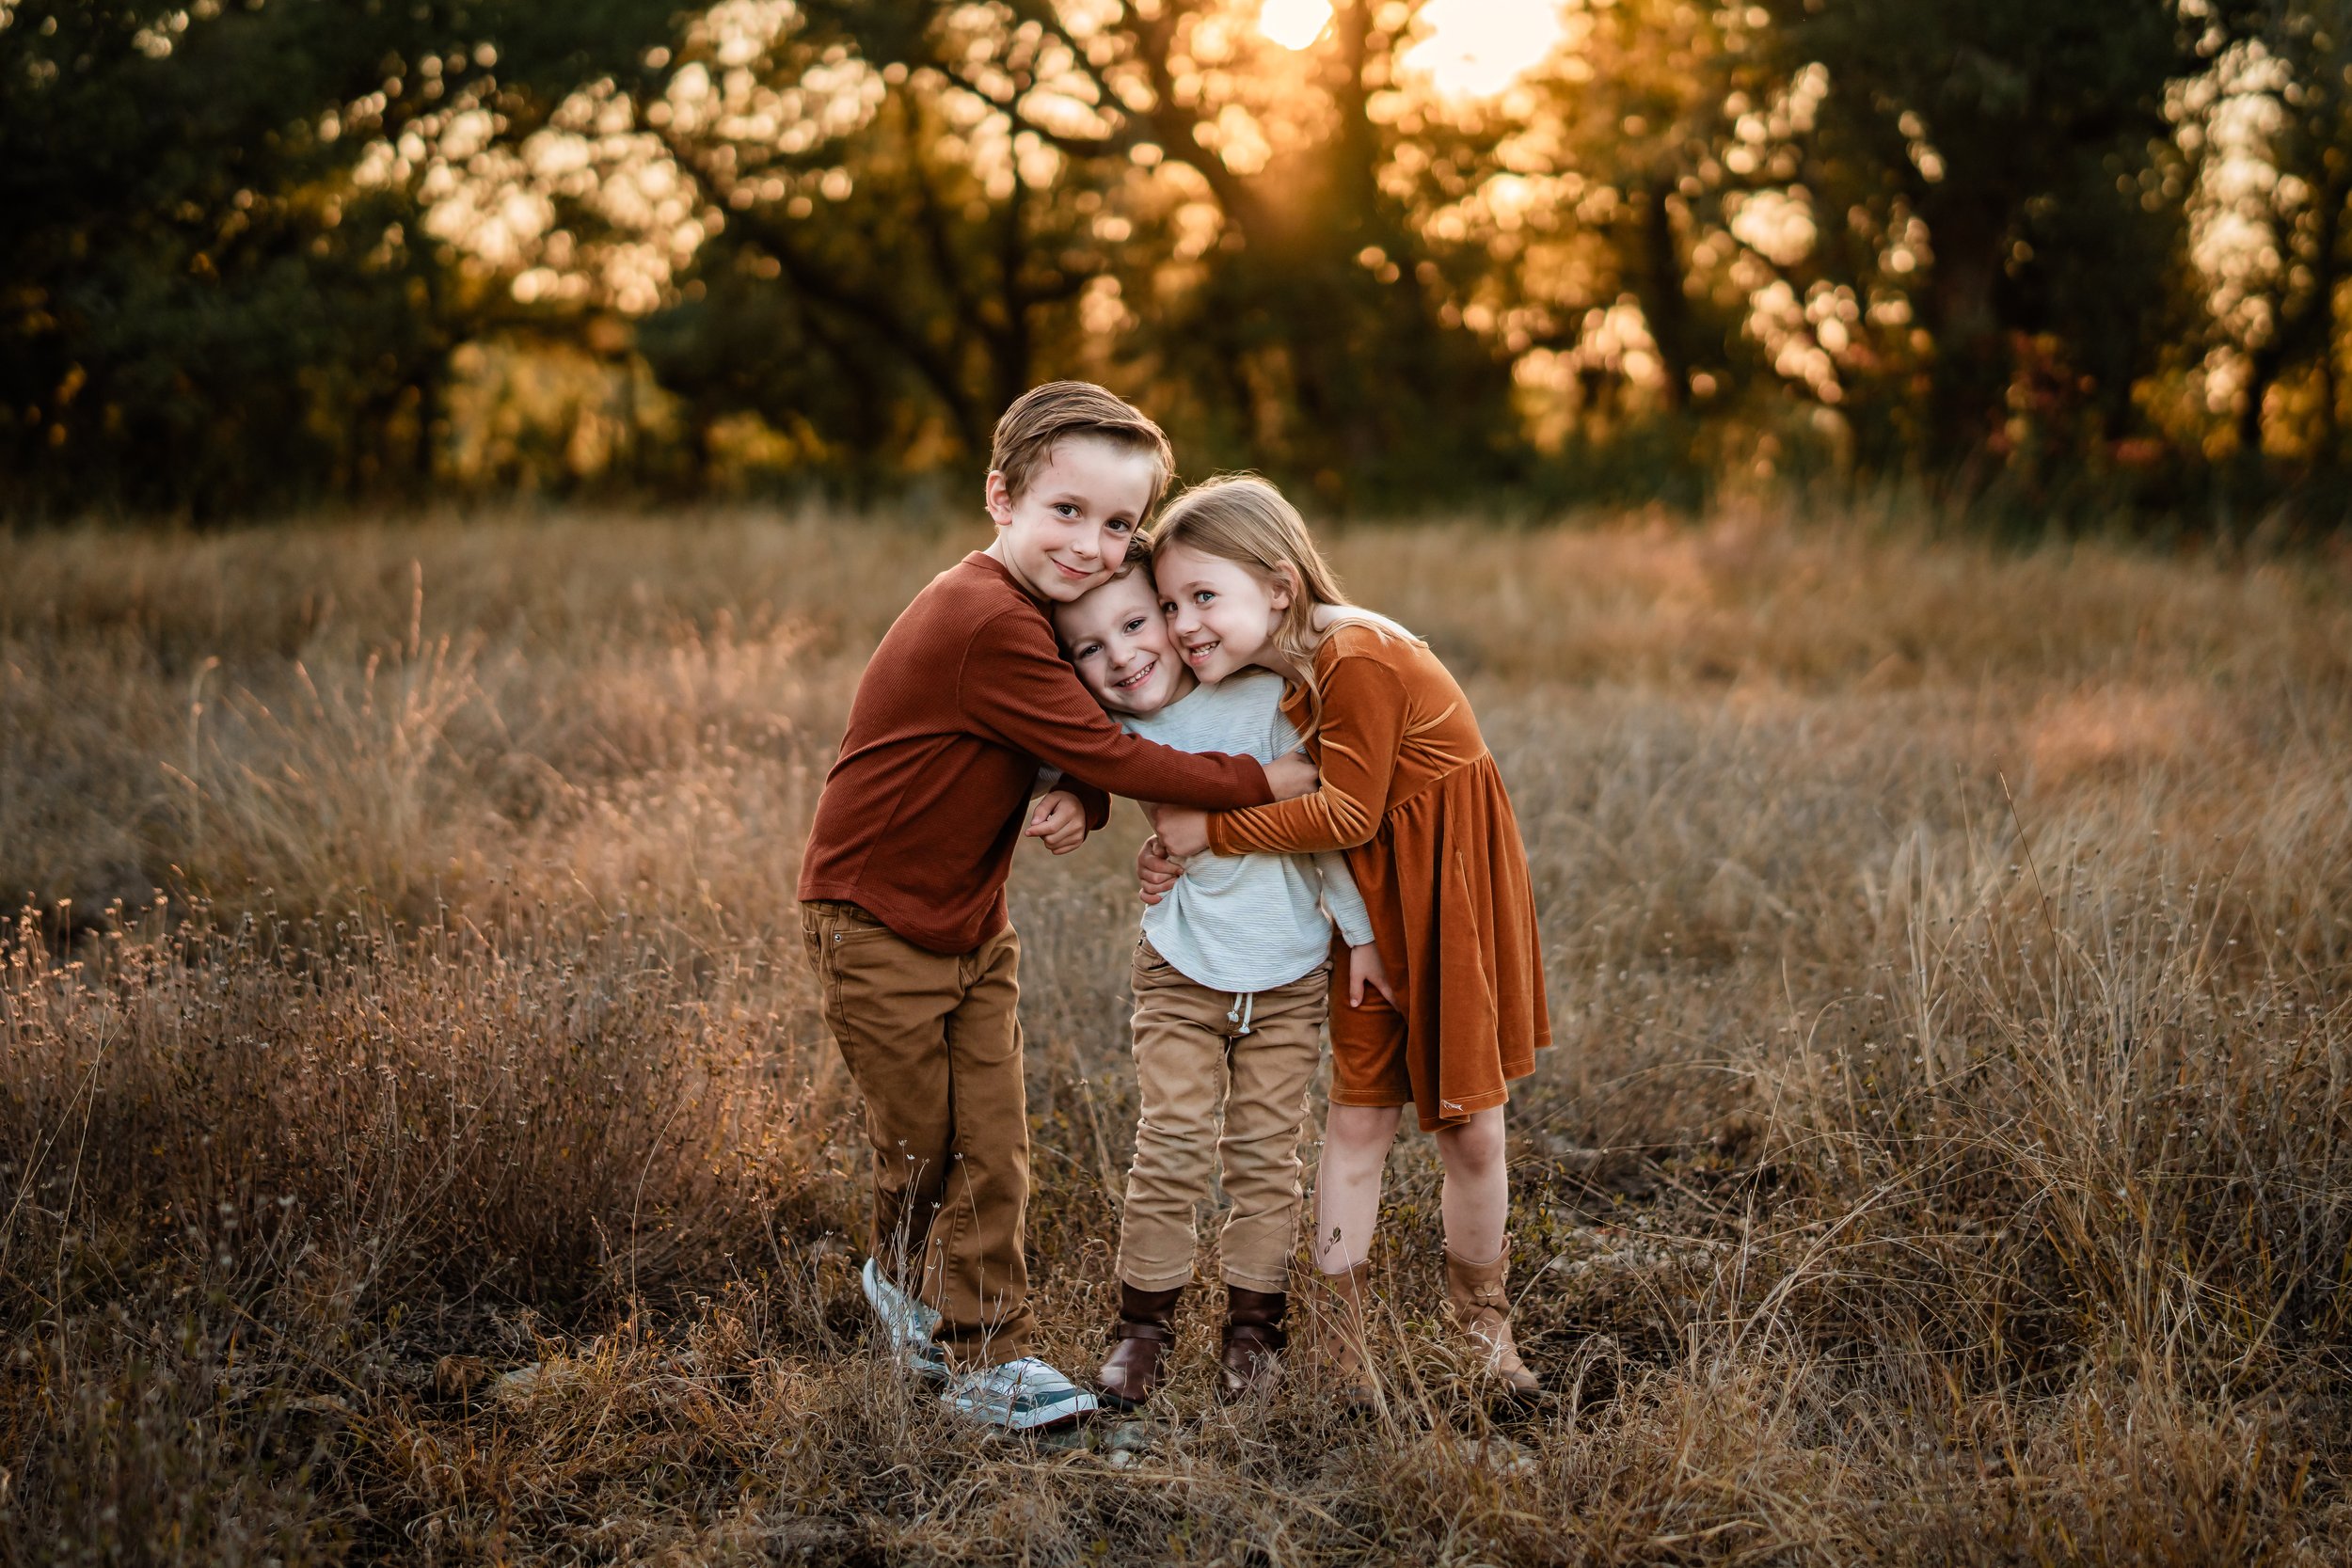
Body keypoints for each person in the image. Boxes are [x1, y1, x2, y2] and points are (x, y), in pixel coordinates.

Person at [797, 386, 1317, 1431]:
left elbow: (1069, 740)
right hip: (872, 920)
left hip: (968, 926)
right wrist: (1270, 781)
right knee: (923, 1141)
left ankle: (977, 1349)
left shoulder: (1037, 611)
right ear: (1001, 497)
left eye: (1119, 523)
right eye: (1066, 512)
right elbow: (1110, 745)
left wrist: (1075, 791)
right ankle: (908, 1292)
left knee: (990, 1142)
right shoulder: (981, 613)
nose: (1091, 544)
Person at [1138, 475, 1551, 1400]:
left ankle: (1483, 1330)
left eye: (1204, 595)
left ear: (1279, 586)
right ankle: (1338, 1344)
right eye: (1168, 603)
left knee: (1472, 1131)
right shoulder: (1279, 675)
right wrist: (1168, 843)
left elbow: (1349, 808)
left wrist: (1209, 835)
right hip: (1370, 907)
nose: (1182, 622)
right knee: (1357, 1117)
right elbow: (1268, 777)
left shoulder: (1353, 651)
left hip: (1448, 893)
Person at [1051, 548, 1379, 1406]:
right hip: (1181, 968)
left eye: (1136, 623)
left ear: (1169, 616)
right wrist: (1088, 811)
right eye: (1089, 648)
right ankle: (1143, 1328)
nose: (1121, 656)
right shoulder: (1118, 736)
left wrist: (1362, 934)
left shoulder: (1266, 699)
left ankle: (1253, 1331)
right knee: (1170, 1144)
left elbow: (1323, 817)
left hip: (1288, 970)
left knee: (1267, 1158)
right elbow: (1078, 776)